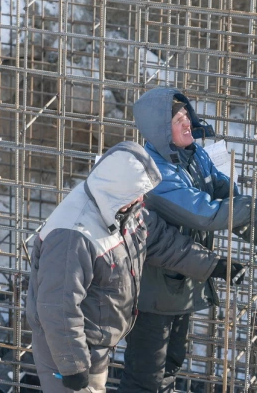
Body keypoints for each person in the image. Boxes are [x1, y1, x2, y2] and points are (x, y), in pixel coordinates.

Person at [25, 141, 241, 392]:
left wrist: (213, 265)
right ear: (119, 188)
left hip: (95, 343)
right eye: (136, 192)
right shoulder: (73, 236)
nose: (141, 198)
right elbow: (57, 307)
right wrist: (72, 365)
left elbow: (161, 242)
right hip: (66, 350)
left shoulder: (122, 208)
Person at [119, 88, 257, 392]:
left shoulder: (194, 157)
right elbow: (205, 214)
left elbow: (229, 199)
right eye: (178, 120)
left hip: (181, 285)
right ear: (160, 130)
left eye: (186, 115)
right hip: (152, 295)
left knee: (171, 365)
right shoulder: (156, 172)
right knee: (145, 378)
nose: (187, 124)